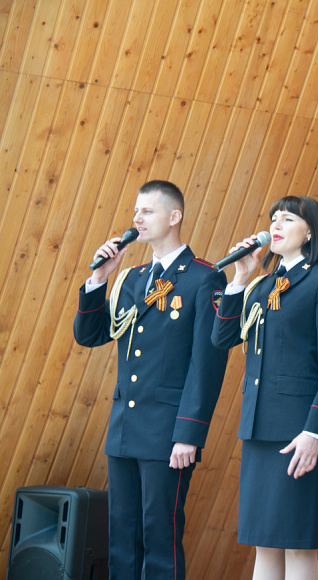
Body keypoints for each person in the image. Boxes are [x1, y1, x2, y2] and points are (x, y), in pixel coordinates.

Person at [73, 180, 228, 580]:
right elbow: (91, 335)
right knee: (122, 537)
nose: (137, 219)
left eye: (147, 211)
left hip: (167, 431)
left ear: (174, 217)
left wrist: (189, 433)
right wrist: (100, 279)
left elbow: (206, 363)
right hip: (126, 426)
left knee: (160, 537)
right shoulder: (132, 278)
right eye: (135, 211)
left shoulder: (203, 278)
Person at [211, 196, 318, 580]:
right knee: (265, 542)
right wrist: (240, 278)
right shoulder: (261, 285)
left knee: (296, 542)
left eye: (287, 219)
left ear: (310, 232)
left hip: (297, 430)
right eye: (274, 218)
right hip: (259, 427)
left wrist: (315, 432)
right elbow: (222, 338)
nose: (275, 225)